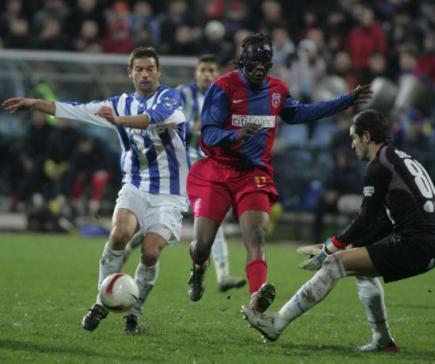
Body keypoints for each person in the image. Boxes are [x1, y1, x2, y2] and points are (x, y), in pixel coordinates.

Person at [2, 47, 189, 335]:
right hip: (136, 184)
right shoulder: (118, 103)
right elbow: (75, 109)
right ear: (130, 73)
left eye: (150, 68)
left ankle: (134, 314)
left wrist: (118, 121)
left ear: (158, 72)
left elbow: (152, 118)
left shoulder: (170, 98)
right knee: (119, 234)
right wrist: (34, 103)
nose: (145, 74)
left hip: (170, 192)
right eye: (138, 69)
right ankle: (101, 302)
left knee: (150, 253)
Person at [186, 32, 372, 313]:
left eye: (265, 63)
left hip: (253, 174)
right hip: (219, 171)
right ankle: (199, 268)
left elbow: (301, 113)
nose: (260, 68)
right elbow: (208, 135)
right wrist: (237, 135)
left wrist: (345, 101)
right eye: (255, 63)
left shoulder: (277, 90)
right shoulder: (223, 87)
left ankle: (257, 299)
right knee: (201, 245)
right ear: (242, 62)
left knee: (257, 235)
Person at [242, 109, 435, 351]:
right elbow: (383, 221)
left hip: (418, 244)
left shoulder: (379, 165)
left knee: (334, 264)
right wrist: (349, 246)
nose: (352, 145)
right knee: (358, 265)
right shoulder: (399, 158)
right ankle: (382, 340)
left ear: (367, 137)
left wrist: (330, 247)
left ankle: (276, 324)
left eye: (354, 138)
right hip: (434, 244)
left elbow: (365, 218)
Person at [125, 54, 246, 292]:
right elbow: (171, 121)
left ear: (217, 73)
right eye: (203, 70)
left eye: (212, 70)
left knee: (206, 219)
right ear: (196, 73)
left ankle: (221, 275)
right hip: (181, 165)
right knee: (182, 218)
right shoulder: (181, 94)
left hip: (210, 166)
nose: (207, 75)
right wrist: (196, 127)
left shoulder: (225, 97)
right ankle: (218, 274)